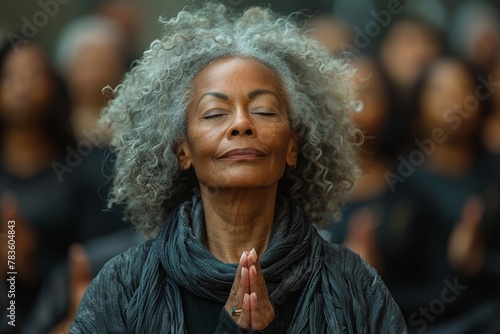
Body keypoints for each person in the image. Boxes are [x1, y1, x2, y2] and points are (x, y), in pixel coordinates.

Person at [70, 4, 407, 333]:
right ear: (182, 150)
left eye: (263, 110)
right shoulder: (123, 286)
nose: (242, 123)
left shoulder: (353, 285)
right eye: (215, 113)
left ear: (293, 146)